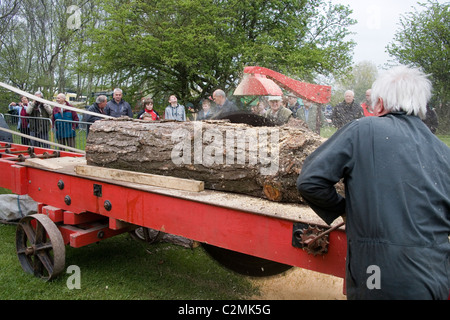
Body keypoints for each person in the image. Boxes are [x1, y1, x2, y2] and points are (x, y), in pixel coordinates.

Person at [297, 66, 450, 300]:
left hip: (378, 277)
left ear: (379, 103)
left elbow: (310, 181)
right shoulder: (443, 151)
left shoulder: (363, 130)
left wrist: (343, 210)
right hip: (435, 279)